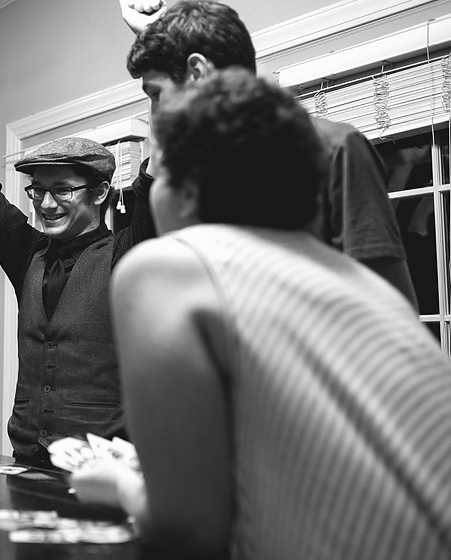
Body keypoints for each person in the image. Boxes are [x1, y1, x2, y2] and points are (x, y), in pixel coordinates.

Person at [70, 69, 451, 559]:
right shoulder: (366, 288)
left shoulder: (164, 269)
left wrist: (119, 484)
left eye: (157, 175)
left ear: (185, 188)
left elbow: (190, 532)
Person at [115, 0, 418, 308]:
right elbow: (146, 279)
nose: (156, 115)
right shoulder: (187, 181)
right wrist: (153, 36)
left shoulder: (332, 148)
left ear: (197, 74)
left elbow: (390, 301)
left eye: (155, 94)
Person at [0, 38, 147, 467]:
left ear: (101, 191)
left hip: (105, 473)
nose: (46, 205)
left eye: (61, 190)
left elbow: (162, 169)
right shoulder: (28, 252)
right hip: (26, 462)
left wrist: (156, 48)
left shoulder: (128, 252)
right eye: (37, 191)